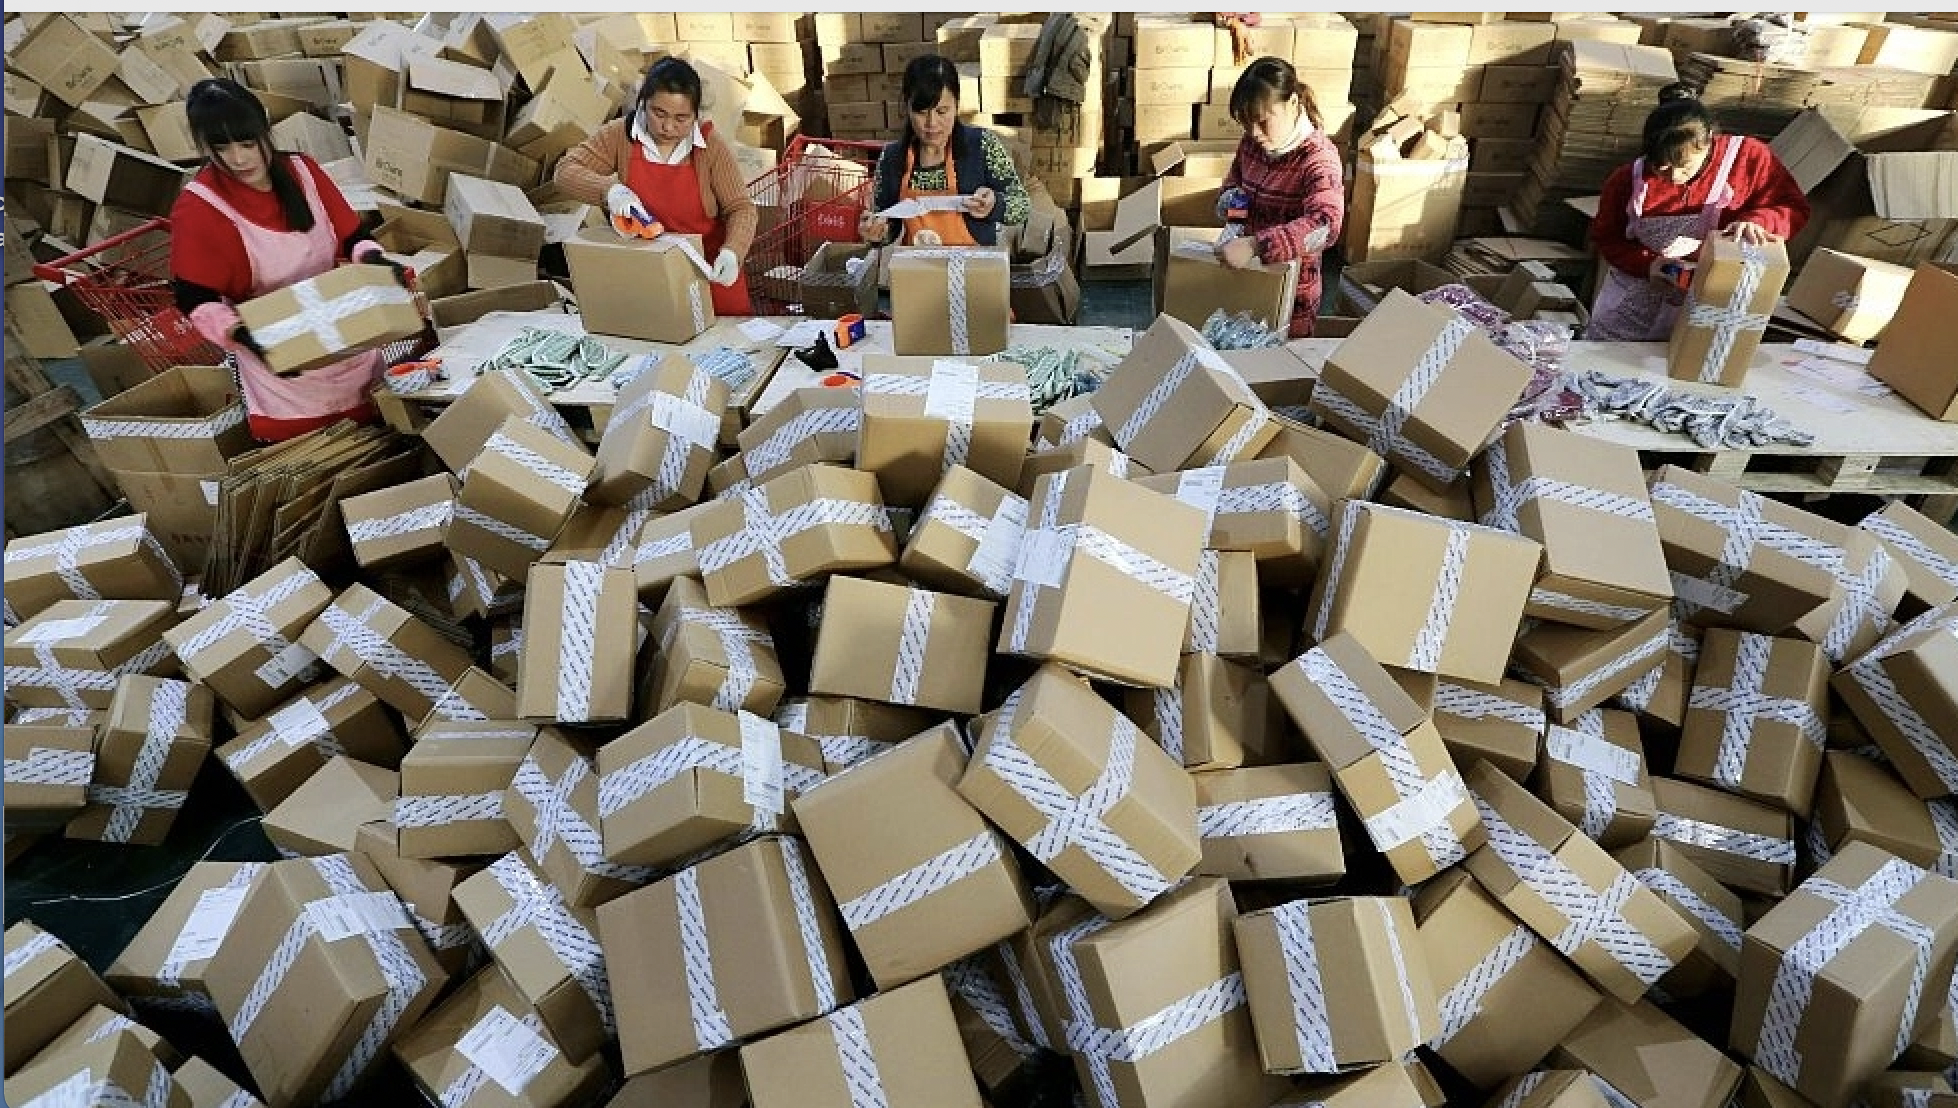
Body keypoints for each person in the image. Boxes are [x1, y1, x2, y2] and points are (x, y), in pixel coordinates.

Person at [171, 78, 408, 442]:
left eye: (248, 143)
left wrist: (375, 260)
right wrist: (243, 335)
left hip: (349, 341)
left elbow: (352, 238)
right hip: (284, 367)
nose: (238, 158)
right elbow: (194, 297)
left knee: (389, 440)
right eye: (222, 147)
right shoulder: (200, 207)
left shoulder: (304, 173)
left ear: (266, 128)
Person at [1586, 82, 1810, 341]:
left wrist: (1759, 221)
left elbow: (1794, 209)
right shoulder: (1628, 180)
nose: (1674, 176)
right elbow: (1606, 237)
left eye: (1684, 166)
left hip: (1707, 307)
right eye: (1661, 167)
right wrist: (1648, 264)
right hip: (1631, 306)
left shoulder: (1748, 158)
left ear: (1708, 143)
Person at [555, 56, 756, 315]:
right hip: (649, 270)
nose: (668, 127)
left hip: (709, 270)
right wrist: (609, 191)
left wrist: (733, 252)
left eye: (681, 118)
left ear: (696, 114)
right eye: (658, 113)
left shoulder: (710, 146)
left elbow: (741, 208)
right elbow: (564, 172)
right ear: (643, 103)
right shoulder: (621, 135)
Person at [1216, 57, 1345, 338]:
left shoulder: (1318, 160)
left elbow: (1325, 226)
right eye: (1246, 123)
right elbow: (1235, 188)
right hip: (1246, 281)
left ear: (1294, 104)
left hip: (1291, 296)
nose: (1255, 133)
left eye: (1263, 121)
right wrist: (1233, 218)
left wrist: (1254, 245)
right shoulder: (1251, 145)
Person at [859, 55, 1030, 248]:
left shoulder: (982, 146)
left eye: (942, 111)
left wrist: (994, 205)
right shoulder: (892, 158)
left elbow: (1021, 205)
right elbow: (887, 224)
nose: (932, 123)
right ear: (907, 107)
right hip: (919, 269)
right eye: (921, 112)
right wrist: (877, 232)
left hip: (976, 269)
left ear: (957, 105)